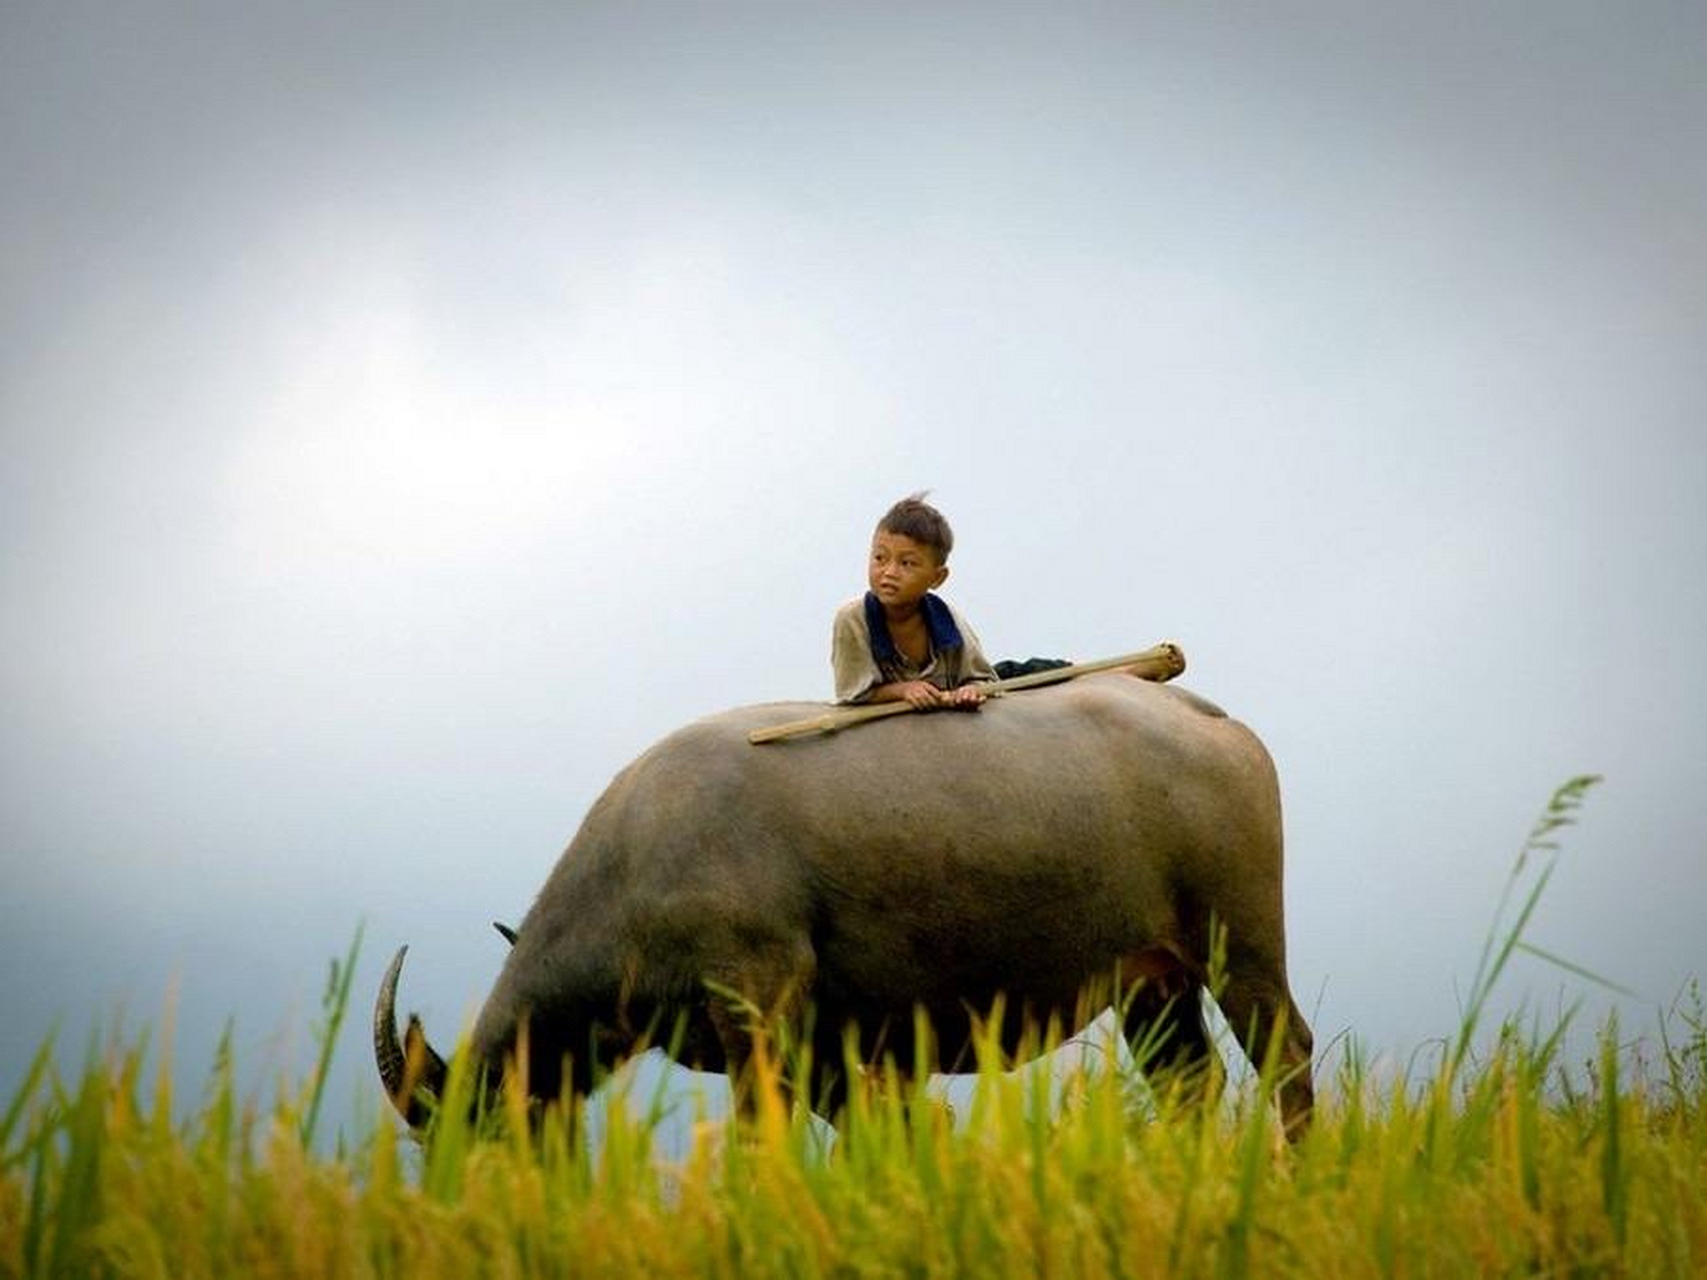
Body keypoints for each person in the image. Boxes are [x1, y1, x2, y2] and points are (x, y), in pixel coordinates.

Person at [831, 494, 999, 707]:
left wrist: (970, 690)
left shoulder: (948, 620)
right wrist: (903, 690)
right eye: (880, 558)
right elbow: (851, 693)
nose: (889, 572)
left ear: (937, 578)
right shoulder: (853, 618)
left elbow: (984, 680)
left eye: (907, 563)